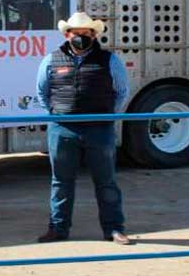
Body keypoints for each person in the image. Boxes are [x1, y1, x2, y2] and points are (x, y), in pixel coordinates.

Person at [35, 12, 132, 245]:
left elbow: (122, 92)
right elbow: (42, 92)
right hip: (63, 129)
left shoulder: (109, 60)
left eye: (86, 34)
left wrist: (106, 116)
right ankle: (58, 229)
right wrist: (58, 114)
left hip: (99, 129)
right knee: (61, 182)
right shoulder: (51, 60)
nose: (80, 37)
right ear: (67, 34)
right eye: (76, 34)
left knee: (106, 180)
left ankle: (114, 229)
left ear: (94, 35)